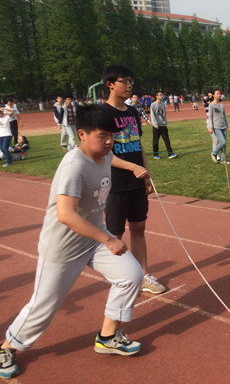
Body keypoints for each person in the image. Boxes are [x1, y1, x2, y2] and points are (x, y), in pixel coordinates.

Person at [0, 104, 143, 380]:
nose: (109, 141)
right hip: (62, 247)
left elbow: (111, 157)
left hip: (91, 239)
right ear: (82, 135)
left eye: (112, 135)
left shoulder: (103, 152)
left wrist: (136, 168)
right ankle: (7, 348)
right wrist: (109, 240)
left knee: (131, 275)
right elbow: (65, 214)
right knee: (44, 305)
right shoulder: (73, 166)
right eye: (103, 136)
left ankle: (107, 337)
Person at [100, 64, 165, 295]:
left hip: (137, 180)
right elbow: (103, 152)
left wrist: (146, 174)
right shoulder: (103, 114)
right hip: (115, 183)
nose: (128, 85)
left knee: (139, 228)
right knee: (115, 235)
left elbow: (138, 145)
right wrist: (132, 167)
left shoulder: (132, 112)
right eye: (124, 81)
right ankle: (119, 279)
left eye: (131, 81)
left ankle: (142, 276)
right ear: (110, 84)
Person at [150, 92, 178, 160]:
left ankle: (170, 154)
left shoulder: (163, 104)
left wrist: (165, 122)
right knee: (156, 141)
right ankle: (155, 154)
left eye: (162, 95)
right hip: (157, 126)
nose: (161, 96)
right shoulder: (153, 105)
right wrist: (155, 124)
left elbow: (164, 114)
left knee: (167, 140)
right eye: (160, 95)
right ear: (156, 96)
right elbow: (152, 115)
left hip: (163, 125)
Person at [208, 89, 230, 164]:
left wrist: (228, 125)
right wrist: (210, 127)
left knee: (224, 144)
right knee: (222, 141)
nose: (219, 95)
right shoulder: (211, 105)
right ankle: (214, 153)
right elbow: (210, 117)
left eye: (219, 93)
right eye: (217, 93)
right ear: (213, 95)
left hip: (223, 126)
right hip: (216, 127)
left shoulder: (222, 105)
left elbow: (225, 116)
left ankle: (223, 159)